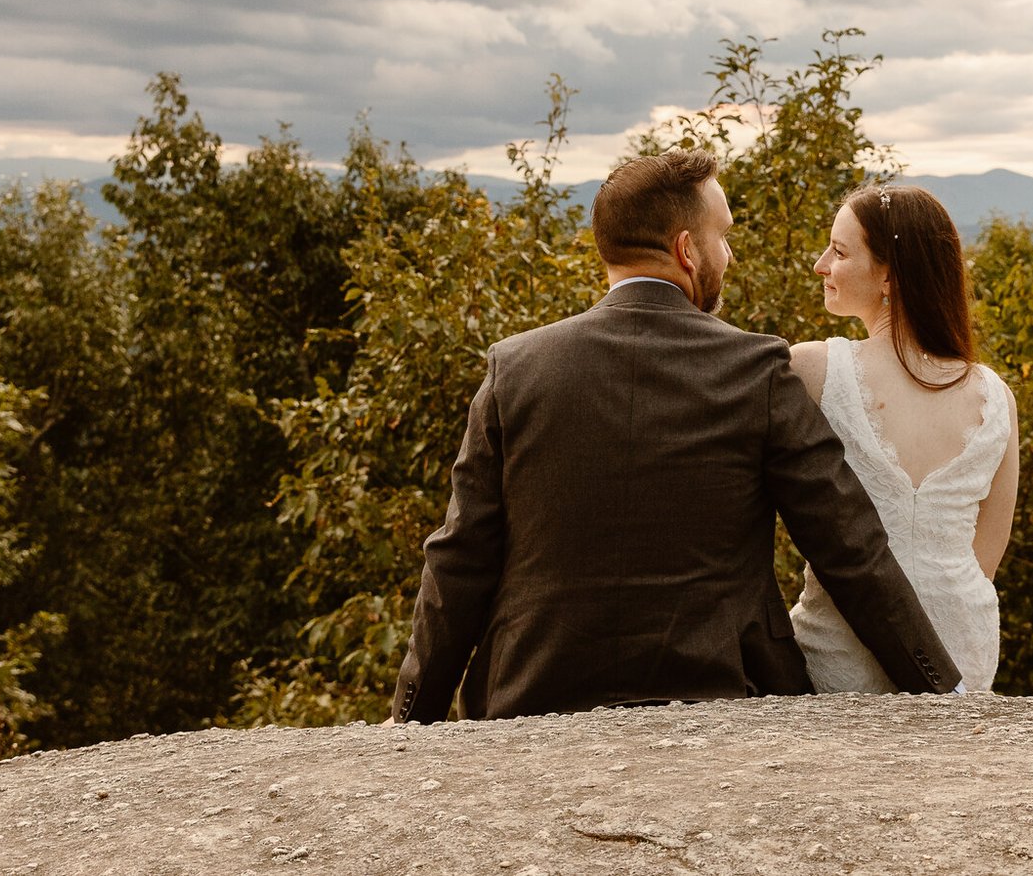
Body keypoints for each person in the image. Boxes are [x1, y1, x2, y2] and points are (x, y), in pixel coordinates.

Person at [389, 149, 961, 722]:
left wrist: (411, 719)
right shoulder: (755, 368)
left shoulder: (515, 368)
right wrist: (938, 690)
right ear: (687, 250)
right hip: (722, 695)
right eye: (724, 237)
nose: (729, 255)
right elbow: (849, 548)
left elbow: (460, 559)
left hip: (532, 697)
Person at [788, 183, 1019, 693]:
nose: (820, 265)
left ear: (890, 274)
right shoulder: (994, 395)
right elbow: (985, 556)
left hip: (841, 651)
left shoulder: (811, 370)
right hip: (960, 654)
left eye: (839, 251)